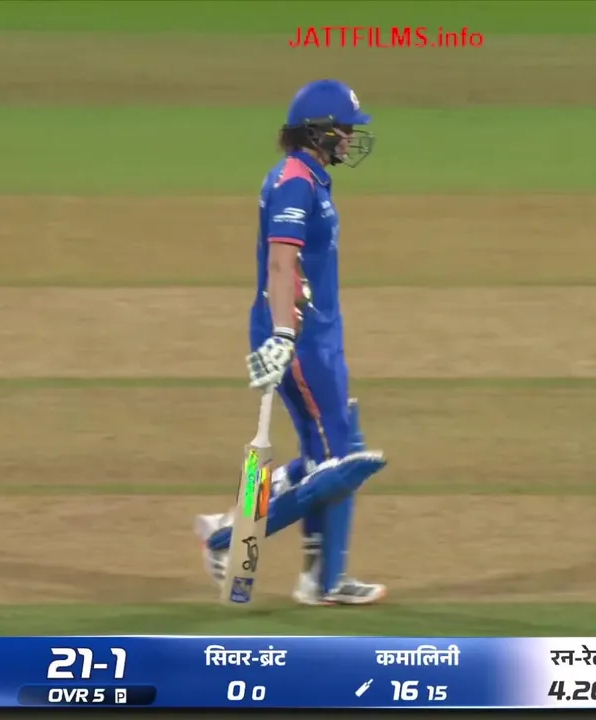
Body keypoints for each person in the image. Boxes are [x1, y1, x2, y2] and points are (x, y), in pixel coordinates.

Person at [194, 79, 387, 606]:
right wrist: (282, 335)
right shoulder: (294, 183)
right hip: (301, 340)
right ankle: (229, 540)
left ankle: (318, 577)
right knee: (341, 461)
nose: (351, 137)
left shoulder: (309, 177)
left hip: (320, 334)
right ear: (318, 131)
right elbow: (281, 263)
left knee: (326, 453)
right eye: (344, 128)